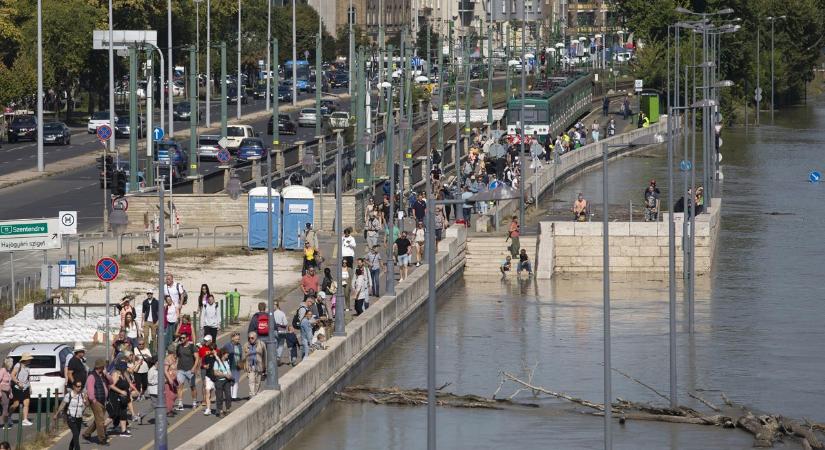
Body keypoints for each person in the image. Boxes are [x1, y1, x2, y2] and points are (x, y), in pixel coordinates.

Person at [82, 359, 111, 444]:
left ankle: (86, 434)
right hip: (96, 401)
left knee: (98, 420)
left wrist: (107, 375)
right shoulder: (92, 376)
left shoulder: (103, 375)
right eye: (103, 367)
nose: (104, 368)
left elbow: (111, 381)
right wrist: (93, 400)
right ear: (100, 367)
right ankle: (102, 439)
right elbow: (90, 390)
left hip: (103, 401)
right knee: (100, 420)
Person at [54, 379, 87, 450]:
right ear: (74, 387)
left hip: (79, 418)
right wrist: (56, 414)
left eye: (80, 386)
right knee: (75, 434)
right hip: (71, 418)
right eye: (78, 386)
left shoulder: (82, 395)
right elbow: (62, 405)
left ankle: (70, 447)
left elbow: (86, 405)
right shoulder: (69, 395)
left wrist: (85, 400)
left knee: (76, 435)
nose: (79, 388)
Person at [174, 333, 200, 411]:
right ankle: (180, 403)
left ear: (187, 338)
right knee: (179, 386)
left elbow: (197, 358)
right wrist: (175, 368)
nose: (182, 339)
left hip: (190, 370)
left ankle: (194, 402)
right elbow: (178, 357)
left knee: (192, 387)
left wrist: (194, 368)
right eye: (181, 338)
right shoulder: (179, 347)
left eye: (183, 338)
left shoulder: (192, 347)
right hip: (181, 369)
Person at [107, 361, 132, 436]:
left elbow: (129, 383)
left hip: (123, 398)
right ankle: (102, 428)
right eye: (124, 368)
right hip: (115, 397)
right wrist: (121, 391)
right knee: (114, 414)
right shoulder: (115, 374)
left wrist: (126, 376)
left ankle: (123, 431)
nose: (125, 369)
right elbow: (111, 386)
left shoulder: (124, 374)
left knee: (123, 414)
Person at [10, 353, 32, 426]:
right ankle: (8, 417)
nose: (30, 360)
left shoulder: (28, 367)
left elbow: (28, 378)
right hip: (17, 387)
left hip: (26, 387)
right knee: (16, 404)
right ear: (25, 359)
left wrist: (30, 387)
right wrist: (18, 383)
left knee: (27, 403)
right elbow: (12, 375)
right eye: (29, 359)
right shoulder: (18, 365)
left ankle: (25, 419)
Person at [242, 332, 266, 397]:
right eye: (249, 338)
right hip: (250, 366)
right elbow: (244, 357)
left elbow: (264, 356)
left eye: (252, 338)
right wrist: (245, 368)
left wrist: (264, 366)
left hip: (259, 366)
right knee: (251, 381)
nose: (250, 339)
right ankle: (252, 394)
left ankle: (257, 392)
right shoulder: (246, 345)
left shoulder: (261, 344)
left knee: (258, 381)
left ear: (256, 338)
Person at [221, 332, 243, 400]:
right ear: (232, 338)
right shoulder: (227, 345)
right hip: (229, 366)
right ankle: (229, 396)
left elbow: (240, 355)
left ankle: (234, 396)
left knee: (236, 381)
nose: (238, 340)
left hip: (237, 366)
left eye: (238, 339)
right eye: (236, 339)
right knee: (230, 381)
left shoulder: (239, 345)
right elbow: (222, 353)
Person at [211, 350, 233, 417]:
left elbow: (228, 371)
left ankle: (228, 409)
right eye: (227, 354)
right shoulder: (216, 362)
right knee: (219, 397)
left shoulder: (226, 362)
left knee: (228, 395)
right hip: (219, 381)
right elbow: (216, 373)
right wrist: (225, 375)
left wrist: (230, 375)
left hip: (227, 381)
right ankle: (220, 411)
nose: (228, 355)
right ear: (223, 354)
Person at [198, 339, 216, 415]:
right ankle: (208, 409)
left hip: (216, 377)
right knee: (207, 391)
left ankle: (219, 408)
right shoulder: (206, 357)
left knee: (217, 393)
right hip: (208, 376)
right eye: (211, 349)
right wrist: (205, 366)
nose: (212, 351)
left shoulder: (218, 356)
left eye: (213, 349)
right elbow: (202, 364)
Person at [163, 349, 178, 417]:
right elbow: (165, 370)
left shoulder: (175, 358)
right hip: (168, 380)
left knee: (174, 395)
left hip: (174, 378)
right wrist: (169, 379)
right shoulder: (167, 359)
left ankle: (170, 408)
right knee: (170, 395)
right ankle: (169, 411)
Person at [0, 359, 11, 429]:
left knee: (5, 407)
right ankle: (5, 424)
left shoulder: (8, 371)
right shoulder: (3, 370)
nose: (12, 365)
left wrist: (10, 392)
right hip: (2, 391)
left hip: (7, 391)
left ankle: (5, 423)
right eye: (11, 363)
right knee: (5, 407)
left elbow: (9, 383)